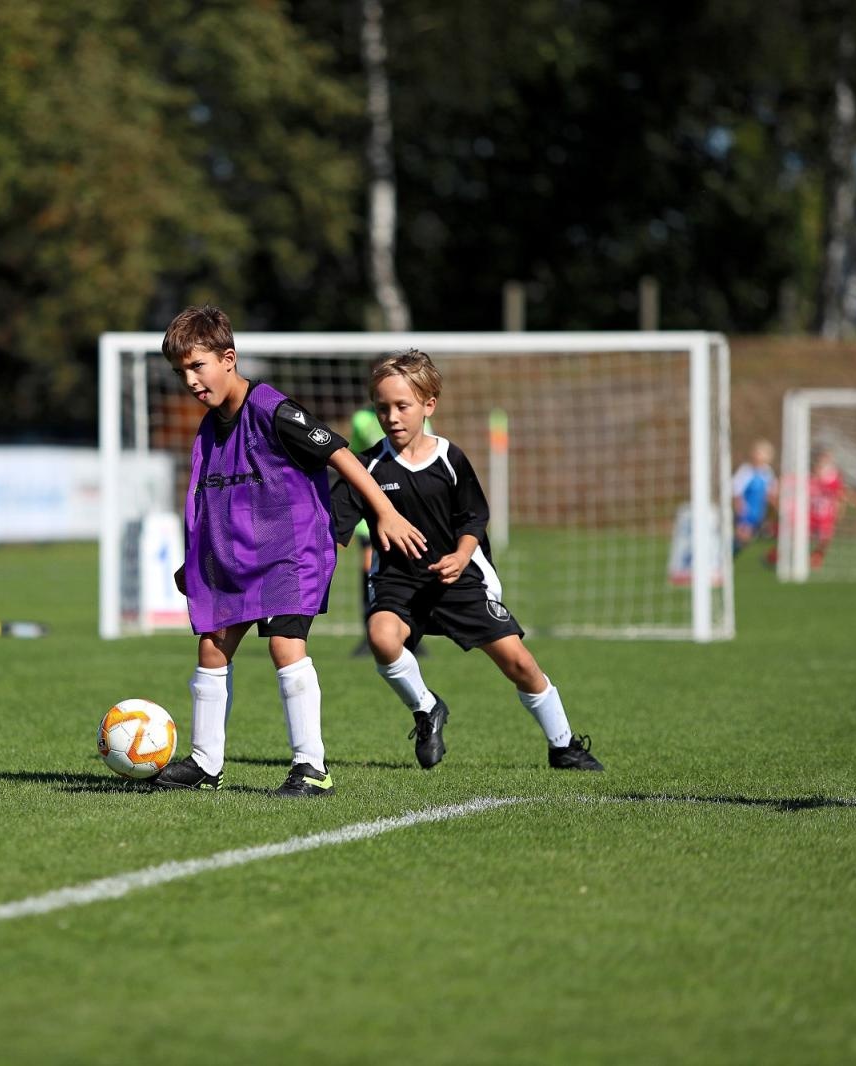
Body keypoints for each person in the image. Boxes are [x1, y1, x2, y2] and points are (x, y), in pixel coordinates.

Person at [150, 305, 426, 798]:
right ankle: (205, 763)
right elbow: (211, 500)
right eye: (180, 372)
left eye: (197, 366)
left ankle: (311, 767)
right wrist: (193, 563)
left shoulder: (274, 409)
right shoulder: (210, 428)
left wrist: (382, 510)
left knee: (284, 644)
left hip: (291, 550)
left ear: (228, 358)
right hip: (235, 556)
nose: (190, 380)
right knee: (212, 643)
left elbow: (339, 451)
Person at [331, 349, 603, 772]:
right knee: (382, 638)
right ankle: (426, 709)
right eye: (382, 408)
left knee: (519, 663)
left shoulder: (449, 459)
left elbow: (474, 516)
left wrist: (460, 556)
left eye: (402, 406)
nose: (392, 417)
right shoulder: (366, 469)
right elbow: (333, 530)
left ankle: (563, 745)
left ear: (428, 405)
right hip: (399, 583)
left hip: (458, 579)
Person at [730, 439, 777, 556]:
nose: (759, 456)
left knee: (746, 540)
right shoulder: (746, 471)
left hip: (758, 511)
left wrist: (774, 503)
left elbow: (771, 491)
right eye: (758, 453)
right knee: (742, 536)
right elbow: (736, 490)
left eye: (763, 454)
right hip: (746, 510)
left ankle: (725, 558)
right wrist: (739, 506)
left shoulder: (767, 472)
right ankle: (722, 559)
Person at [806, 447, 847, 569]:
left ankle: (816, 558)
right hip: (811, 512)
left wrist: (840, 509)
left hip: (826, 514)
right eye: (823, 458)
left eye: (828, 458)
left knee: (825, 539)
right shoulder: (811, 475)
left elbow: (840, 495)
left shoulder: (834, 477)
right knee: (803, 537)